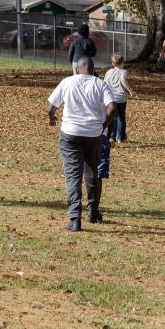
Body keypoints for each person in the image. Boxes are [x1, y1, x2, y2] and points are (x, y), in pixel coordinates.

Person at [47, 56, 116, 231]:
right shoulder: (100, 84)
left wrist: (52, 118)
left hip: (70, 133)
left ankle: (74, 218)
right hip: (93, 134)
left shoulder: (68, 82)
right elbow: (112, 107)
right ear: (93, 70)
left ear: (77, 69)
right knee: (92, 171)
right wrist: (103, 126)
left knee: (73, 175)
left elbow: (51, 106)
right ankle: (93, 212)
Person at [103, 53, 136, 143]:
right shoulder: (123, 72)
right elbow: (122, 80)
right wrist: (130, 91)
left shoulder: (108, 72)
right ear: (122, 63)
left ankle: (111, 137)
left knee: (112, 118)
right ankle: (120, 137)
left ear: (113, 63)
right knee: (121, 117)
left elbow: (104, 83)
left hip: (110, 99)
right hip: (121, 98)